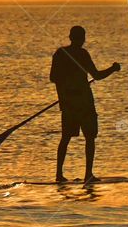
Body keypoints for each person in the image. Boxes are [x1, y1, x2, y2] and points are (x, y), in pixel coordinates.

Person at [49, 25, 120, 184]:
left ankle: (59, 175)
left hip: (68, 104)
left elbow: (53, 78)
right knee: (90, 137)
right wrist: (113, 68)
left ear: (70, 37)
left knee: (65, 138)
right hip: (84, 103)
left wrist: (64, 93)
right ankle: (88, 174)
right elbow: (97, 75)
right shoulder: (82, 54)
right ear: (82, 39)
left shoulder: (60, 54)